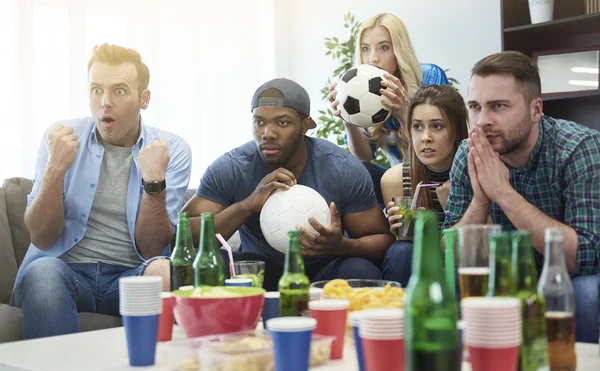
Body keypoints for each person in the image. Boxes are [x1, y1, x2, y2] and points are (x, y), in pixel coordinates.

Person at [10, 43, 192, 339]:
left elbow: (151, 248)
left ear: (144, 99)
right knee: (43, 272)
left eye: (119, 91)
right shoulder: (59, 138)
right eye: (96, 90)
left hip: (129, 277)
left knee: (165, 271)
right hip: (64, 271)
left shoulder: (172, 150)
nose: (105, 102)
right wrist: (56, 168)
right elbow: (42, 237)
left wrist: (154, 182)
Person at [441, 50, 600, 343]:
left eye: (498, 106)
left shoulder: (579, 148)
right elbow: (448, 254)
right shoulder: (470, 153)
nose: (481, 121)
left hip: (567, 280)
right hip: (505, 279)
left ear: (535, 109)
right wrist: (480, 201)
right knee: (447, 282)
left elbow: (586, 256)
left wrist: (503, 194)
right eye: (475, 106)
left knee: (589, 291)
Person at [183, 78, 394, 291]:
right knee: (204, 263)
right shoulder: (233, 167)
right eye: (259, 122)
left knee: (361, 271)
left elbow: (383, 240)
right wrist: (248, 205)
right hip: (258, 273)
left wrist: (342, 246)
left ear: (306, 126)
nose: (268, 133)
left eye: (282, 122)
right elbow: (184, 236)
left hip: (324, 272)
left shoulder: (341, 167)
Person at [328, 13, 450, 204]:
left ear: (399, 50)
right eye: (365, 49)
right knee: (358, 173)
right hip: (398, 179)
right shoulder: (360, 89)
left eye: (383, 47)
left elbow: (444, 143)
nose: (373, 58)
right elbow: (364, 156)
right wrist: (348, 119)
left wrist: (403, 112)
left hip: (435, 172)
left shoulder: (428, 77)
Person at [378, 85, 469, 286]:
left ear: (456, 131)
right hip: (419, 267)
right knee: (401, 251)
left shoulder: (474, 173)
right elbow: (403, 256)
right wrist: (402, 231)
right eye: (417, 127)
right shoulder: (394, 180)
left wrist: (452, 209)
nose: (425, 137)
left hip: (463, 263)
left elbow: (478, 248)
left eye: (437, 126)